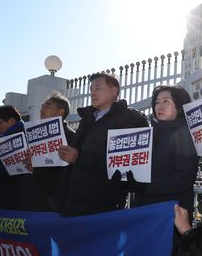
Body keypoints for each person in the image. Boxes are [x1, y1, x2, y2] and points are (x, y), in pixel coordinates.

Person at [56, 73, 149, 216]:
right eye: (91, 89)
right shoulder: (87, 119)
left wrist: (79, 158)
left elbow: (125, 167)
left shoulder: (131, 119)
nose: (93, 93)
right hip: (71, 204)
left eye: (98, 88)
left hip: (102, 207)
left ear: (114, 90)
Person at [131, 85, 198, 235]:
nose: (159, 106)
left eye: (166, 101)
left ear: (179, 106)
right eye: (156, 102)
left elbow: (184, 178)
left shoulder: (185, 134)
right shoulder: (149, 135)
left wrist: (145, 186)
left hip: (171, 215)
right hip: (144, 211)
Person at [21, 92, 76, 211]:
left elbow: (68, 173)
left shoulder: (71, 137)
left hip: (53, 201)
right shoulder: (35, 134)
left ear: (60, 112)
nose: (42, 109)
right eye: (42, 105)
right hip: (33, 195)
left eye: (47, 106)